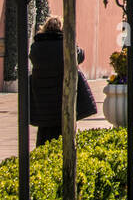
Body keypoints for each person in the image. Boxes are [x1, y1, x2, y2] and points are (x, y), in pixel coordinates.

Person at [29, 16, 97, 146]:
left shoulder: (36, 47)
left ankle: (41, 153)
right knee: (64, 127)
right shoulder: (66, 45)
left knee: (44, 129)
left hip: (42, 95)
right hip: (63, 92)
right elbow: (80, 56)